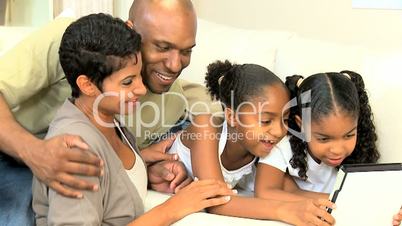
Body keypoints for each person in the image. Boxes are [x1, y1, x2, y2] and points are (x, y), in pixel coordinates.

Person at [0, 0, 216, 224]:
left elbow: (221, 107)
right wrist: (35, 152)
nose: (174, 65)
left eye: (186, 51)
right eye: (162, 47)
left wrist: (139, 167)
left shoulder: (170, 98)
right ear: (131, 30)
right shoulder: (74, 43)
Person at [169, 60, 337, 225]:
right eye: (265, 121)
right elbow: (217, 202)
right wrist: (285, 211)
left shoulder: (262, 146)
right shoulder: (206, 127)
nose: (279, 132)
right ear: (232, 117)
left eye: (285, 120)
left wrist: (337, 203)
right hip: (163, 140)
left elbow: (290, 190)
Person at [255, 71, 379, 200]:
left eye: (349, 135)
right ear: (301, 125)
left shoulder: (361, 148)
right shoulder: (283, 147)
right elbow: (264, 192)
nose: (337, 150)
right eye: (324, 139)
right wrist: (336, 200)